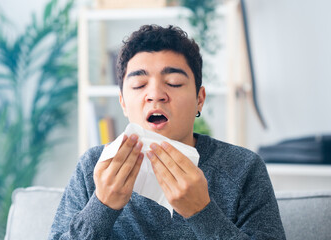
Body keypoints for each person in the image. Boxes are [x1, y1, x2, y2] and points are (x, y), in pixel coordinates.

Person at [49, 25, 286, 239]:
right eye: (139, 85)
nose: (155, 94)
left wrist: (202, 213)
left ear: (199, 100)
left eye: (173, 82)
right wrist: (102, 207)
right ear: (122, 102)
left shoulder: (243, 167)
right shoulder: (94, 167)